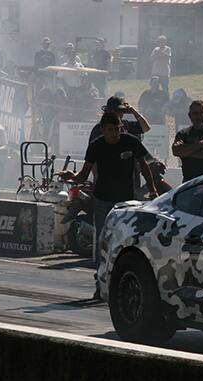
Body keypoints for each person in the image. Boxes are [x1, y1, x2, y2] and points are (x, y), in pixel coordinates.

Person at [59, 112, 158, 297]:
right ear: (103, 130)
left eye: (118, 129)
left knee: (126, 242)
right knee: (102, 242)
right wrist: (71, 177)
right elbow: (84, 173)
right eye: (111, 130)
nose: (115, 133)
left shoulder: (131, 141)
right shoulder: (96, 146)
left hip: (126, 203)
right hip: (103, 200)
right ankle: (100, 283)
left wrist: (152, 189)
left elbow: (144, 165)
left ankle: (125, 284)